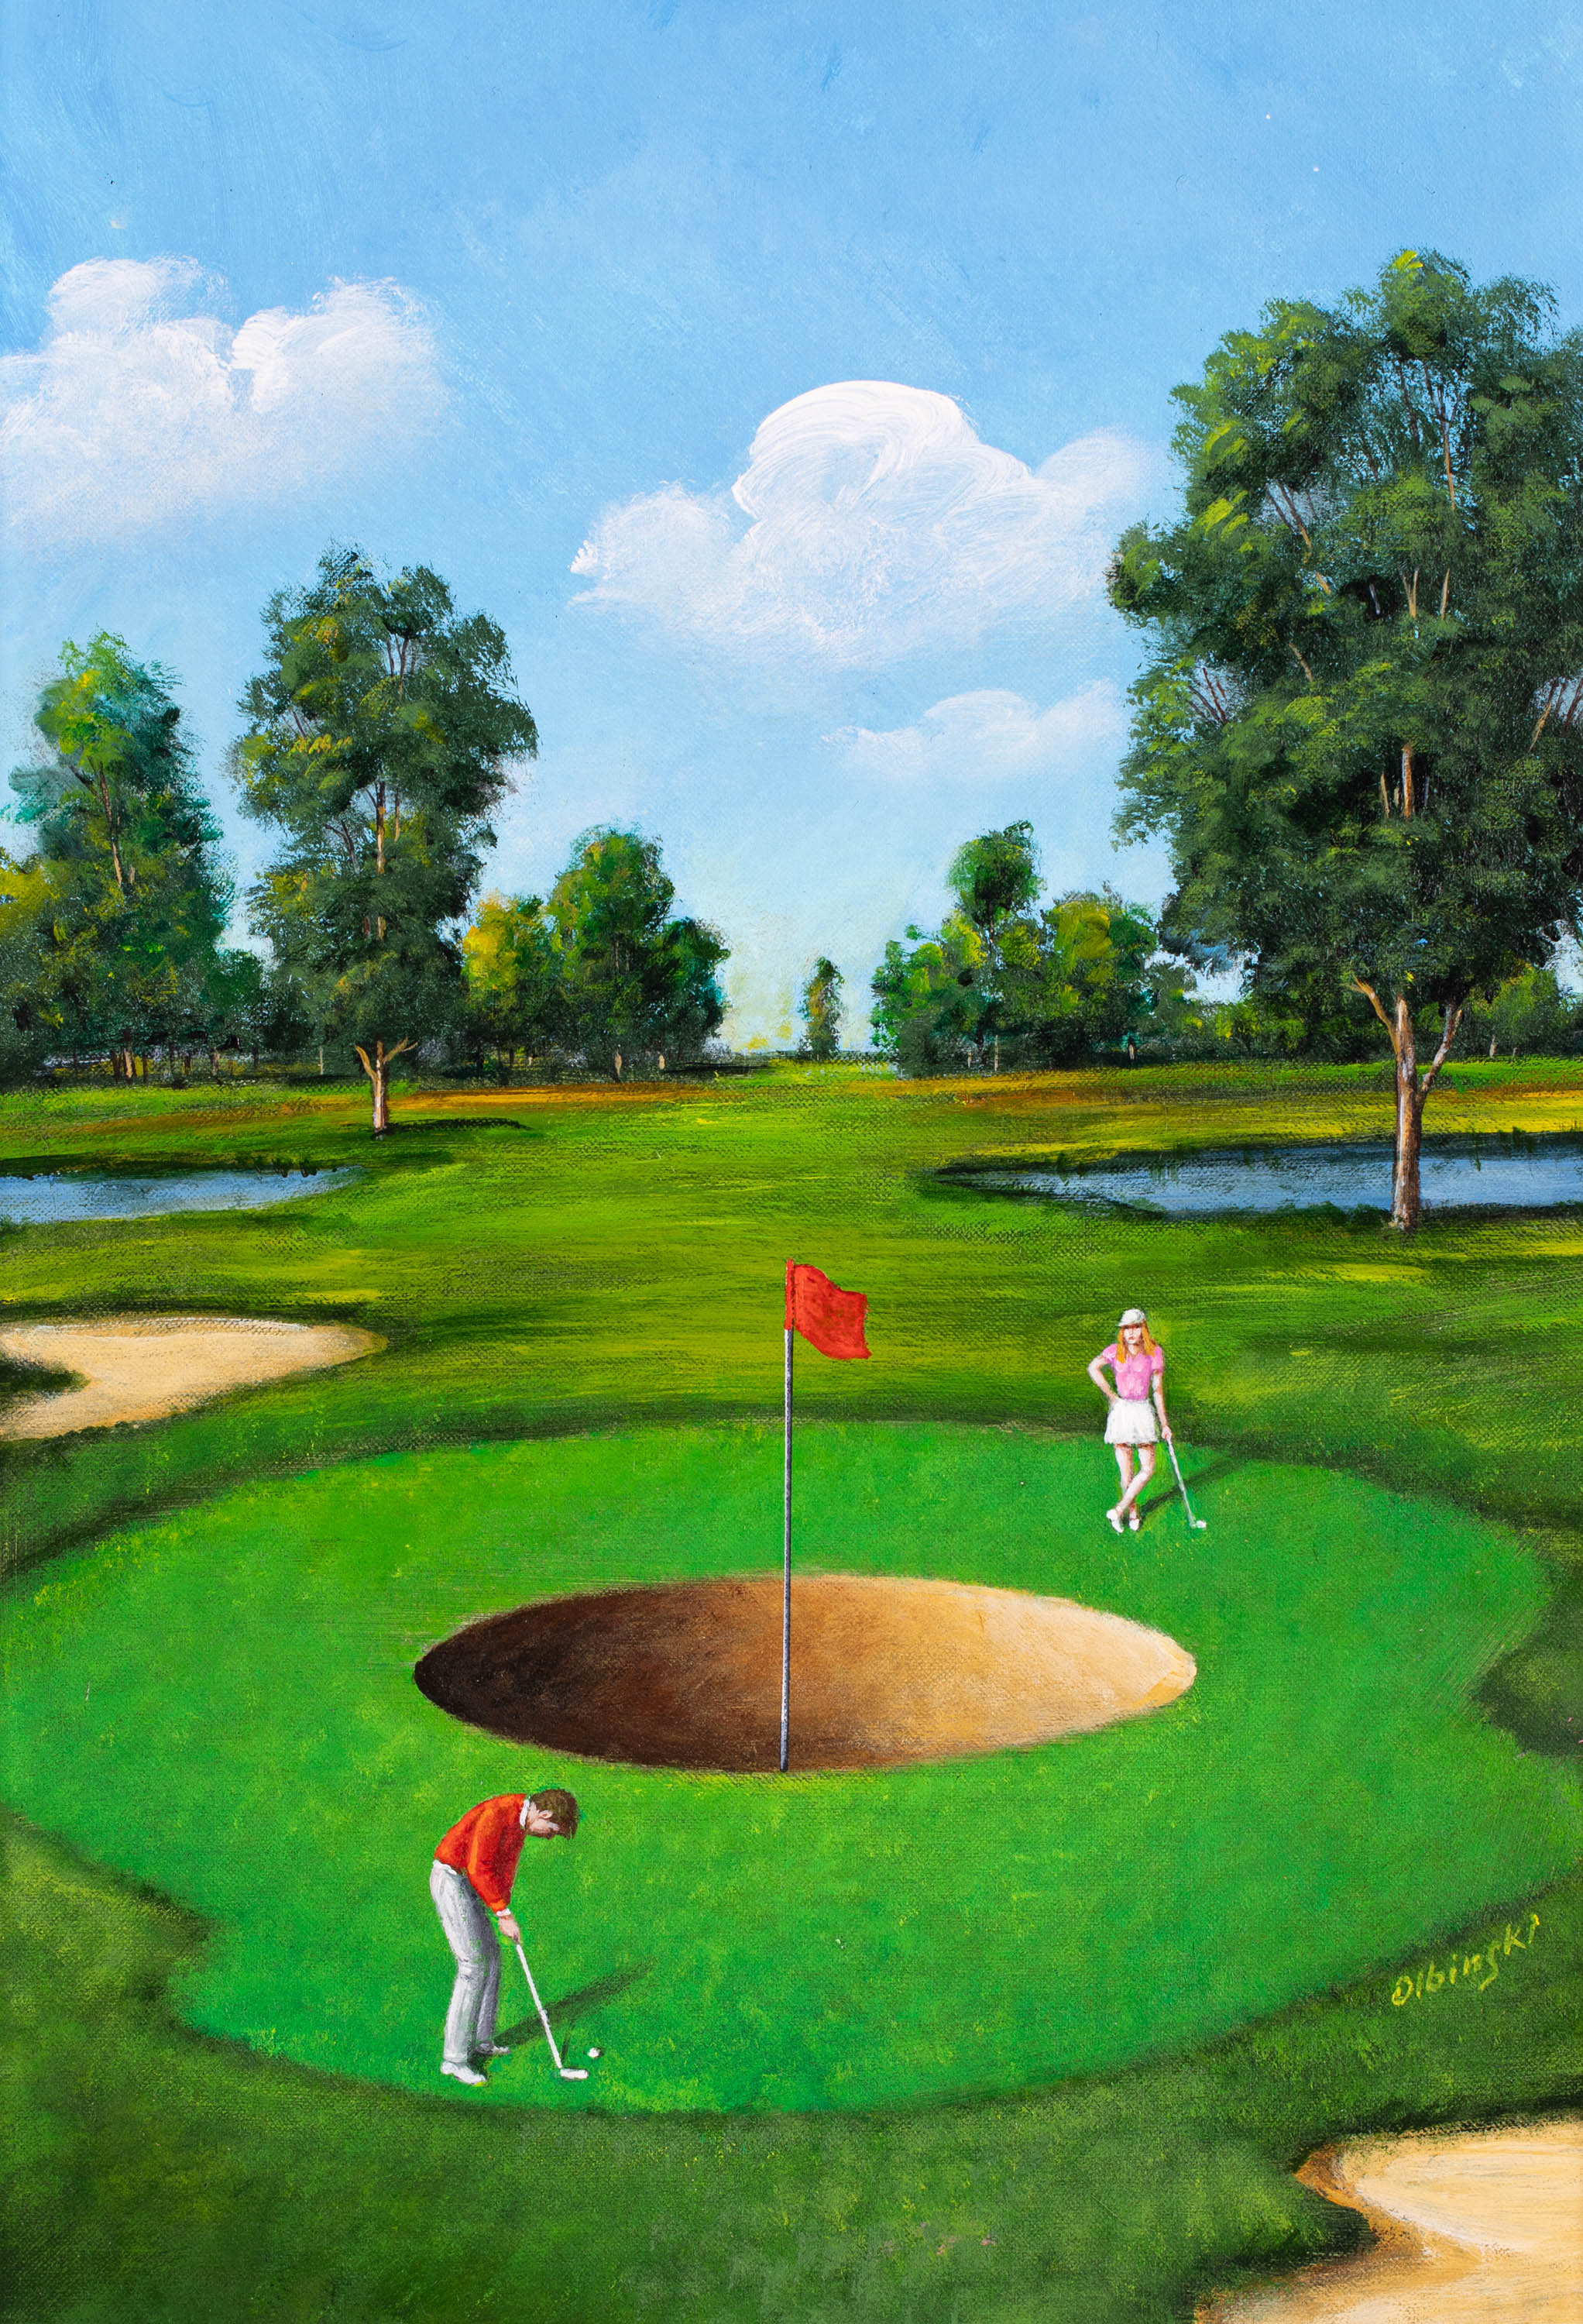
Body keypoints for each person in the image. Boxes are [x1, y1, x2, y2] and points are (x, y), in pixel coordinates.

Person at [430, 1786, 579, 2085]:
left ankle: (482, 2041)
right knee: (473, 1967)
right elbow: (478, 1866)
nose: (550, 1837)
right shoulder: (499, 1812)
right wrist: (502, 1914)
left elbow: (503, 1870)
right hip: (451, 1879)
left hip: (471, 1884)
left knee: (492, 1960)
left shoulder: (520, 1822)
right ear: (544, 1814)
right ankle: (454, 2060)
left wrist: (504, 1909)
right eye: (552, 1831)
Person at [1087, 1307, 1172, 1534]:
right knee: (1126, 1474)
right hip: (1123, 1411)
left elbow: (1157, 1391)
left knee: (1148, 1468)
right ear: (1122, 1332)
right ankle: (1132, 1513)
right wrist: (1111, 1396)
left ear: (1144, 1328)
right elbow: (1093, 1368)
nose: (1131, 1333)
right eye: (1126, 1328)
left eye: (1136, 1327)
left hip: (1143, 1411)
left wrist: (1164, 1424)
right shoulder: (1115, 1351)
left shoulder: (1154, 1352)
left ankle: (1118, 1510)